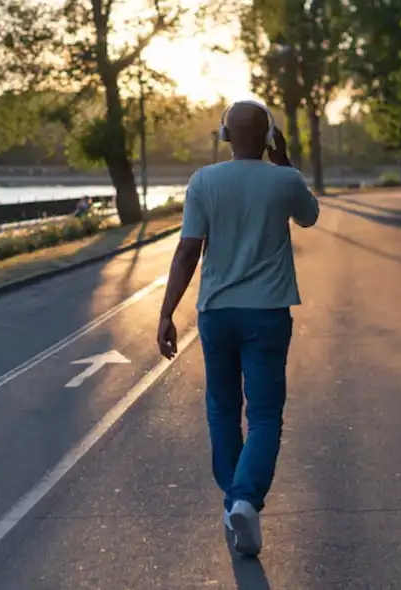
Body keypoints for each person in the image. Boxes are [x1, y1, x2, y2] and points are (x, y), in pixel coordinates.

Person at [156, 100, 320, 557]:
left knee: (223, 409)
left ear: (225, 136)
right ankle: (244, 499)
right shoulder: (284, 179)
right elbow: (309, 216)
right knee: (265, 415)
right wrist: (284, 160)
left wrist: (167, 312)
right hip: (267, 312)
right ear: (267, 138)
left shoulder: (204, 181)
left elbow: (188, 251)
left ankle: (234, 504)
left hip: (217, 313)